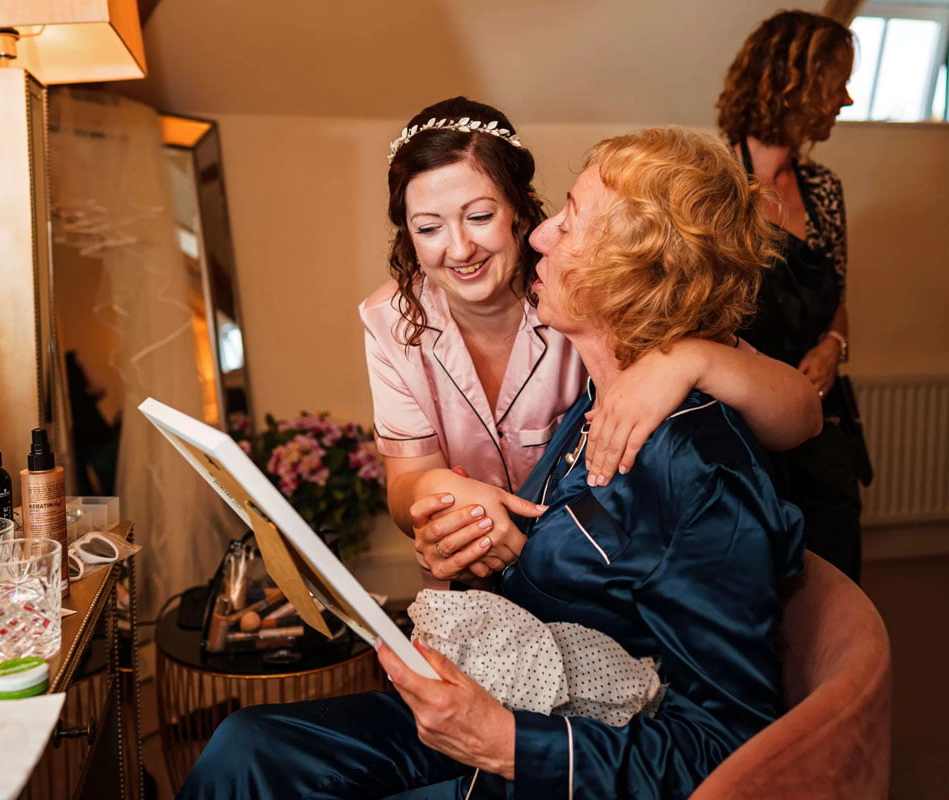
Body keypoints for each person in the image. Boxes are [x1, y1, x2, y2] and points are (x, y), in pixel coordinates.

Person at [177, 127, 804, 799]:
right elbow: (565, 549)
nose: (540, 237)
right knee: (246, 748)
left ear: (633, 271)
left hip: (551, 741)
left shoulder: (693, 471)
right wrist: (460, 533)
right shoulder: (598, 398)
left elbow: (730, 747)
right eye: (430, 226)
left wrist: (507, 743)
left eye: (567, 225)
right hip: (511, 678)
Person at [362, 97, 820, 584]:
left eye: (479, 217)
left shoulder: (589, 296)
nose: (459, 248)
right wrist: (434, 493)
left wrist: (693, 359)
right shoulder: (389, 319)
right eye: (428, 228)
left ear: (519, 209)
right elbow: (404, 486)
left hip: (593, 586)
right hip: (479, 587)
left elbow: (801, 414)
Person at [717, 10, 866, 582]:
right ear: (791, 82)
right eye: (837, 83)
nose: (846, 99)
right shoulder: (716, 182)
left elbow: (838, 297)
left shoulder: (824, 189)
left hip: (824, 428)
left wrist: (834, 343)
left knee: (837, 577)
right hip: (742, 433)